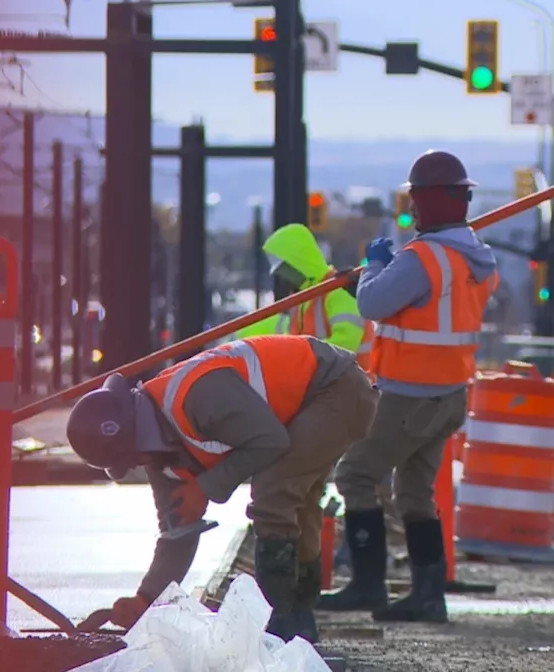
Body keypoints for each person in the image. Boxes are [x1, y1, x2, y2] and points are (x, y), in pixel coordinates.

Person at [66, 335, 378, 643]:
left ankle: (283, 621)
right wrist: (144, 600)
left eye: (132, 457)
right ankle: (299, 619)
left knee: (273, 493)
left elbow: (270, 441)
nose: (138, 464)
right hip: (313, 401)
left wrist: (204, 488)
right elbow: (178, 532)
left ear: (136, 439)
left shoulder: (196, 397)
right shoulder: (156, 454)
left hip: (338, 389)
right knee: (296, 498)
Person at [319, 149, 499, 623]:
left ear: (434, 200)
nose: (412, 208)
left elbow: (374, 303)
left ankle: (367, 585)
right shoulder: (477, 258)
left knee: (355, 475)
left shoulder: (424, 258)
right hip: (449, 394)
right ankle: (427, 595)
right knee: (416, 494)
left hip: (409, 395)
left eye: (416, 198)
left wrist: (376, 265)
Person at [235, 223, 374, 370]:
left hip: (353, 384)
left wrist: (300, 358)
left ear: (298, 263)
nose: (283, 278)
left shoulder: (339, 289)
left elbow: (347, 343)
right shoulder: (303, 300)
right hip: (326, 383)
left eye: (285, 270)